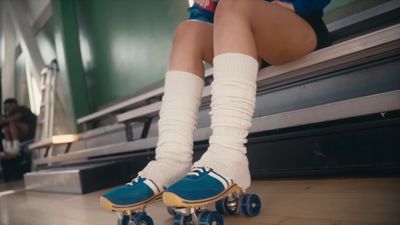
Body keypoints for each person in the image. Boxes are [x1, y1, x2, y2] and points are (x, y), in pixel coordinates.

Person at [101, 0, 331, 214]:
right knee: (187, 30)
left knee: (235, 3)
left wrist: (295, 3)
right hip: (241, 35)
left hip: (294, 25)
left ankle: (228, 156)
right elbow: (202, 13)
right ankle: (171, 160)